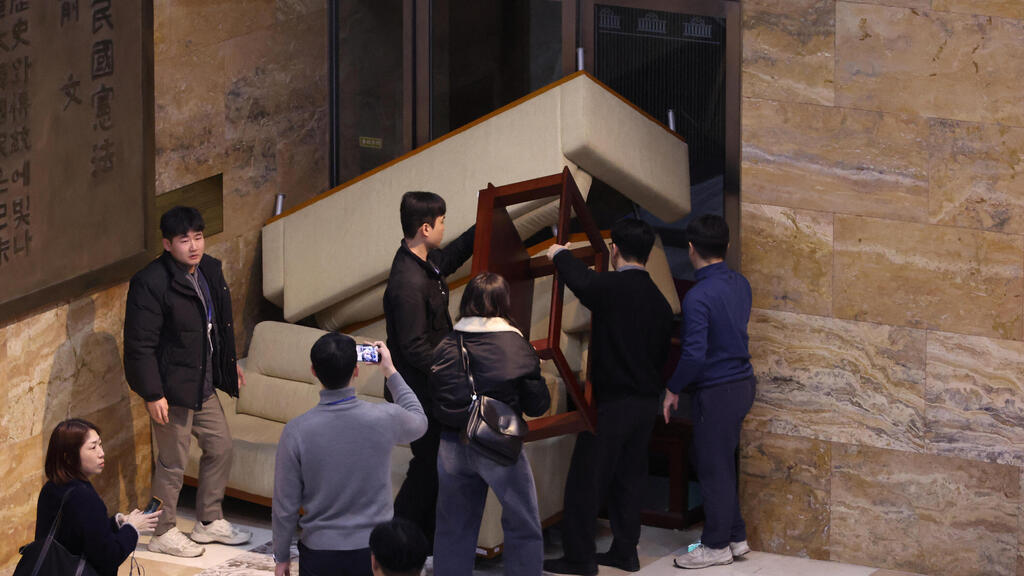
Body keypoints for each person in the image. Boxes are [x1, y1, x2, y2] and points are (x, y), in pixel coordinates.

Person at [543, 218, 674, 576]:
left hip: (613, 403)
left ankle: (580, 558)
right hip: (645, 404)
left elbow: (583, 281)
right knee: (629, 479)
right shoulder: (662, 304)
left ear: (614, 249)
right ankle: (625, 552)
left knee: (586, 479)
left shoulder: (614, 287)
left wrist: (559, 254)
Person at [123, 206, 250, 557]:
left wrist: (228, 362)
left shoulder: (209, 268)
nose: (194, 246)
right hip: (171, 389)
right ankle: (163, 531)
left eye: (198, 237)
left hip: (203, 383)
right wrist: (152, 393)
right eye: (184, 240)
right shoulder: (150, 283)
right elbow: (139, 346)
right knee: (172, 463)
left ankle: (208, 521)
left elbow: (218, 323)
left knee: (221, 446)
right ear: (167, 244)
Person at [272, 334, 427, 576]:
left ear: (313, 371)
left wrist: (281, 556)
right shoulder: (384, 418)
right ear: (356, 371)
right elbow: (419, 420)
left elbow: (285, 505)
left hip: (318, 552)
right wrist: (390, 371)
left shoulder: (296, 431)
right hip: (374, 550)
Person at [431, 272, 551, 575]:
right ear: (503, 302)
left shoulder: (447, 343)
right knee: (522, 522)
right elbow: (538, 405)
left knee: (452, 528)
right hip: (499, 443)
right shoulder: (515, 343)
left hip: (451, 443)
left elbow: (436, 399)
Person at [663, 214, 756, 569]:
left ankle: (715, 546)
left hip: (716, 391)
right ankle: (735, 536)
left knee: (713, 466)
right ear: (727, 246)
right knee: (722, 463)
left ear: (690, 249)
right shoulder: (741, 284)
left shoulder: (698, 295)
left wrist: (673, 388)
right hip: (742, 384)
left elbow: (693, 355)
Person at [383, 191, 475, 548]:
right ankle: (399, 542)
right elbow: (414, 348)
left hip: (432, 384)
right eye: (441, 222)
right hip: (417, 390)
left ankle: (424, 540)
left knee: (437, 463)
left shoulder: (423, 259)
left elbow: (449, 257)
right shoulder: (406, 283)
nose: (444, 227)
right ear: (425, 228)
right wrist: (457, 365)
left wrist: (486, 223)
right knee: (427, 464)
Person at [34, 419, 161, 576]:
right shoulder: (83, 497)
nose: (101, 453)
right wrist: (132, 529)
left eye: (100, 444)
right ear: (69, 457)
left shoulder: (51, 487)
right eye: (93, 447)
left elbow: (78, 535)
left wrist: (118, 522)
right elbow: (109, 557)